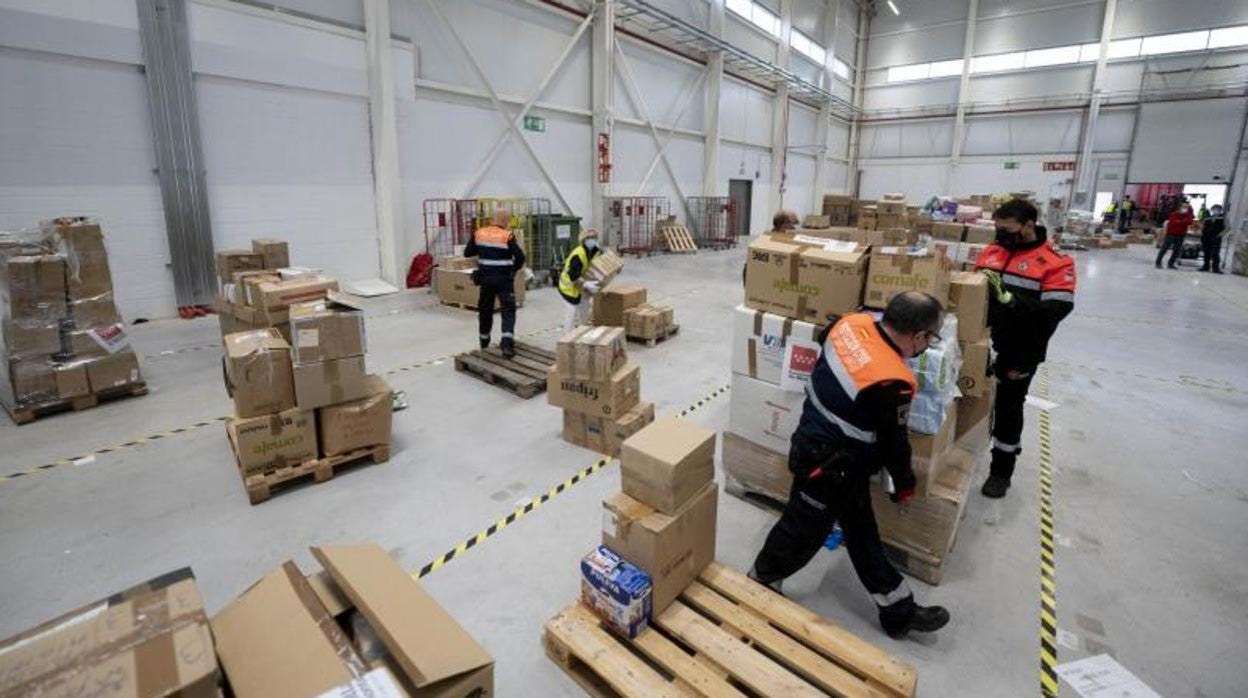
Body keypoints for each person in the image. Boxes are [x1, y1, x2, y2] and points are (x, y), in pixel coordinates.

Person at [748, 292, 951, 640]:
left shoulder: (851, 323)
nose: (927, 346)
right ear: (918, 335)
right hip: (828, 466)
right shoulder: (890, 380)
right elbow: (894, 444)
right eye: (930, 339)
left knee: (861, 530)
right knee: (801, 529)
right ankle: (760, 581)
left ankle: (898, 612)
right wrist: (904, 484)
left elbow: (827, 344)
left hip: (829, 448)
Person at [974, 198, 1076, 498]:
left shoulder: (1056, 262)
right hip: (981, 341)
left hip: (1020, 349)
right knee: (972, 397)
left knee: (1008, 407)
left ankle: (1001, 472)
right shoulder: (993, 251)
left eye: (1007, 229)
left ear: (1029, 225)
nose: (1001, 235)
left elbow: (1057, 310)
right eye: (997, 229)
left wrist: (1012, 302)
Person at [464, 209, 526, 358]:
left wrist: (484, 251)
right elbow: (520, 257)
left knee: (485, 311)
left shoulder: (480, 233)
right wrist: (513, 270)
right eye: (508, 220)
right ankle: (507, 346)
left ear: (493, 219)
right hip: (504, 280)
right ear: (505, 221)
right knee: (508, 311)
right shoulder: (507, 236)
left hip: (486, 280)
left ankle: (484, 344)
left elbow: (467, 252)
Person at [558, 228, 603, 331]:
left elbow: (605, 262)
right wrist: (586, 284)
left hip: (581, 287)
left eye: (594, 237)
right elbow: (573, 275)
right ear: (584, 239)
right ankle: (567, 337)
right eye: (589, 237)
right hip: (568, 288)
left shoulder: (596, 251)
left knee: (584, 311)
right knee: (571, 313)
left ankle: (582, 332)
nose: (592, 240)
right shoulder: (578, 254)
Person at [1156, 202, 1194, 269]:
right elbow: (1173, 222)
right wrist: (1183, 222)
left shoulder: (1188, 215)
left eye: (1186, 207)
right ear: (1180, 207)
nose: (1185, 208)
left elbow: (1190, 222)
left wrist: (1180, 221)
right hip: (1171, 233)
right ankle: (1158, 262)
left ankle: (1171, 264)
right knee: (1164, 248)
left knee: (1177, 250)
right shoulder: (1174, 214)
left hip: (1181, 234)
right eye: (1184, 207)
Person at [1200, 205, 1226, 273]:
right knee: (1206, 252)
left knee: (1215, 253)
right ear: (1211, 210)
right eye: (1214, 209)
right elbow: (1202, 226)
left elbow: (1227, 228)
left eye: (1218, 209)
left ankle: (1216, 268)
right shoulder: (1207, 218)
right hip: (1206, 237)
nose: (1216, 210)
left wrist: (1220, 235)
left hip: (1216, 238)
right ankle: (1205, 266)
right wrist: (1202, 233)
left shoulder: (1222, 218)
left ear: (1220, 210)